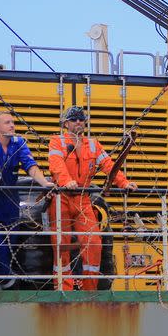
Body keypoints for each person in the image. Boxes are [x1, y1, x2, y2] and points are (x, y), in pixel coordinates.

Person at [47, 106, 137, 291]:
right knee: (61, 243)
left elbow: (109, 166)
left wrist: (124, 183)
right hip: (61, 198)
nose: (78, 122)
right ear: (66, 124)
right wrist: (66, 181)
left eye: (81, 119)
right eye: (74, 120)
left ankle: (90, 288)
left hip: (83, 199)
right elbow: (56, 165)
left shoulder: (94, 145)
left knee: (94, 242)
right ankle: (63, 288)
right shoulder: (57, 142)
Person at [0, 110, 53, 290]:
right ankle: (6, 280)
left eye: (12, 122)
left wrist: (44, 183)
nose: (12, 126)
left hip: (9, 201)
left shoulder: (18, 143)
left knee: (11, 242)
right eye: (8, 122)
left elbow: (30, 165)